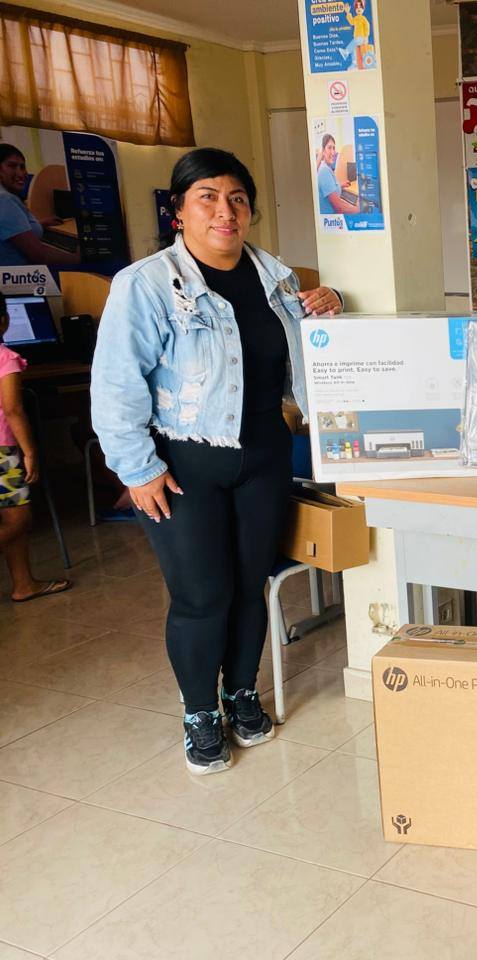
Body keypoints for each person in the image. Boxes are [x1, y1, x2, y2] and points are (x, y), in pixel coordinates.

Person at [92, 148, 343, 775]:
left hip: (264, 454)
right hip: (181, 463)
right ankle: (200, 712)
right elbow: (116, 385)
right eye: (207, 197)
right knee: (203, 595)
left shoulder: (275, 279)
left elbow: (305, 356)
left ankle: (241, 693)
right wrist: (137, 468)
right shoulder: (145, 285)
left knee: (251, 586)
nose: (224, 211)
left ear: (249, 210)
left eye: (236, 198)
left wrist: (331, 302)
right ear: (178, 211)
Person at [0, 292, 72, 603]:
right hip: (2, 452)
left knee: (11, 515)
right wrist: (30, 452)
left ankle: (23, 583)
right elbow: (13, 409)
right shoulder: (5, 358)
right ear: (4, 321)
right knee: (19, 520)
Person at [0, 144, 80, 267]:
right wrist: (78, 258)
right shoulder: (5, 200)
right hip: (22, 275)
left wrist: (40, 223)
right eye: (12, 166)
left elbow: (11, 229)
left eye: (22, 167)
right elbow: (41, 256)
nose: (21, 173)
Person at [316, 134, 359, 216]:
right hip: (331, 219)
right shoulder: (324, 171)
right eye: (329, 148)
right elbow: (339, 207)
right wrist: (357, 209)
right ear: (323, 151)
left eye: (334, 148)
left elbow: (330, 189)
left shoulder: (326, 167)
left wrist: (340, 185)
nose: (333, 152)